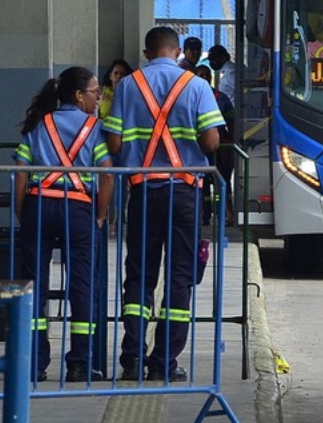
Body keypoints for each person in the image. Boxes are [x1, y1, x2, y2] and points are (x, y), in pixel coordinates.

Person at [105, 26, 224, 382]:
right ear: (177, 52)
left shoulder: (128, 86)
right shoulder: (198, 86)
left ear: (146, 52)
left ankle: (131, 358)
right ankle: (164, 363)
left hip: (142, 191)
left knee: (139, 274)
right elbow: (212, 142)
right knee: (180, 276)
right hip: (184, 193)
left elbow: (112, 144)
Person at [13, 66, 114, 383]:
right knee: (82, 286)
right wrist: (100, 215)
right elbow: (108, 174)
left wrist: (22, 211)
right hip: (79, 210)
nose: (99, 97)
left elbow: (20, 173)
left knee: (32, 286)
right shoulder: (94, 128)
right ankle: (79, 364)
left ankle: (34, 363)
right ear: (78, 95)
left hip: (38, 205)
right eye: (95, 91)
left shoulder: (39, 124)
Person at [193, 64, 236, 227]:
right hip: (198, 148)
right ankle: (204, 214)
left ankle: (227, 213)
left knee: (222, 181)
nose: (203, 78)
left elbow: (231, 122)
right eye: (200, 75)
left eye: (206, 75)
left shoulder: (221, 98)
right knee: (202, 184)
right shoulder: (191, 96)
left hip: (220, 147)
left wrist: (230, 144)